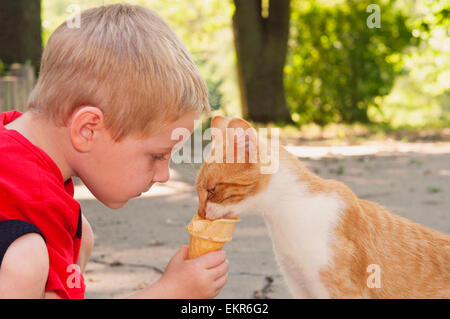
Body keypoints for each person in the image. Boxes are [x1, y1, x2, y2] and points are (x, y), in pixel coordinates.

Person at [0, 3, 228, 299]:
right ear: (87, 129)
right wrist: (167, 292)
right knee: (26, 258)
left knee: (80, 233)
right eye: (157, 155)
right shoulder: (34, 197)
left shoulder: (16, 143)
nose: (162, 175)